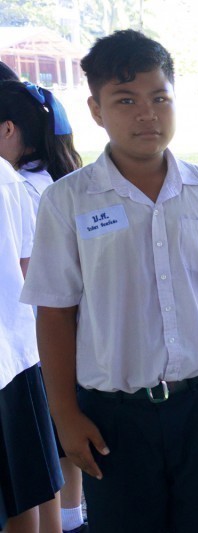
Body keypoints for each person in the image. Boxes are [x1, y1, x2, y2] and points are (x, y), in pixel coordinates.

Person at [21, 29, 198, 532]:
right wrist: (65, 414)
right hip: (114, 416)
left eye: (159, 98)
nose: (146, 114)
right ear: (96, 110)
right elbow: (55, 312)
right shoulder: (68, 201)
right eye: (125, 100)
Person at [0, 79, 87, 533]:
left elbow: (30, 269)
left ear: (9, 129)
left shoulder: (20, 184)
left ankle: (72, 519)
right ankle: (73, 520)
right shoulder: (45, 178)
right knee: (45, 458)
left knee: (45, 451)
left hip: (37, 336)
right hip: (37, 339)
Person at [0, 157, 63, 532]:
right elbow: (25, 265)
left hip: (15, 350)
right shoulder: (7, 175)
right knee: (29, 486)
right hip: (16, 348)